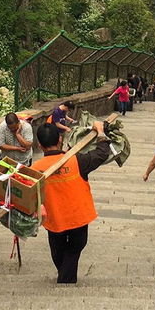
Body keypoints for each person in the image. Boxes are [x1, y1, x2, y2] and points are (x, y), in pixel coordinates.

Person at [31, 120, 113, 283]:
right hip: (78, 217)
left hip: (55, 221)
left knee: (58, 253)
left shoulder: (35, 169)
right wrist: (101, 132)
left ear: (39, 145)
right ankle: (66, 280)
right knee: (75, 248)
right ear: (60, 139)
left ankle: (65, 278)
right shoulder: (77, 161)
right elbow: (102, 154)